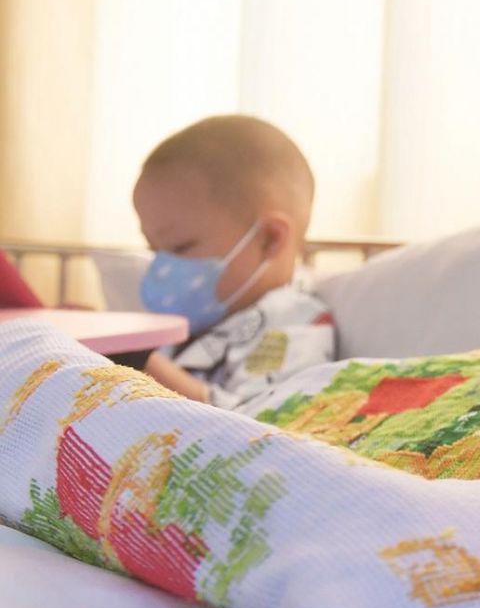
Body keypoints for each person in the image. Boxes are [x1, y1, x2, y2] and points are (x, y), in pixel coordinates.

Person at [133, 115, 336, 409]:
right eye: (154, 250)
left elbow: (262, 421)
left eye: (180, 247)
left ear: (269, 239)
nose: (162, 269)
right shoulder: (187, 325)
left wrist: (139, 362)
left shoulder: (295, 325)